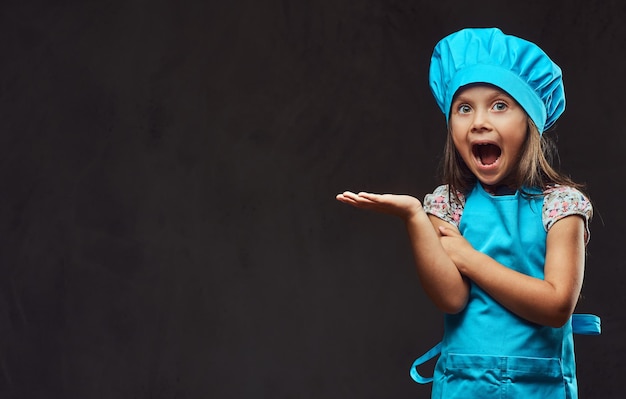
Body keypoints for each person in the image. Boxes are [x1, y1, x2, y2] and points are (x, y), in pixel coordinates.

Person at [336, 27, 600, 398]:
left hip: (541, 386)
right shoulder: (447, 204)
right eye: (464, 108)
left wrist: (468, 257)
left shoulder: (561, 205)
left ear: (531, 123)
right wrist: (415, 217)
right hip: (464, 384)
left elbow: (557, 306)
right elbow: (451, 299)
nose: (479, 121)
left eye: (499, 105)